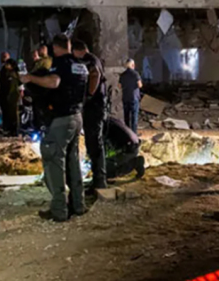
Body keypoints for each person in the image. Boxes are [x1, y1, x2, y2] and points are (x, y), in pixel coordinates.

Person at [22, 34, 88, 222]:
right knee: (73, 162)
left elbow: (54, 82)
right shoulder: (80, 65)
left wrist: (30, 78)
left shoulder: (60, 63)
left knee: (53, 161)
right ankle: (78, 205)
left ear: (55, 47)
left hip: (61, 119)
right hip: (77, 117)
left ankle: (59, 210)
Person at [72, 39, 108, 190]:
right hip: (94, 107)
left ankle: (100, 180)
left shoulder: (90, 60)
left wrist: (88, 95)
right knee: (92, 143)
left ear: (78, 50)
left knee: (95, 143)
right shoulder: (90, 59)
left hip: (95, 107)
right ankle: (97, 178)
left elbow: (95, 75)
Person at [104, 115, 145, 180]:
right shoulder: (107, 120)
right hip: (130, 144)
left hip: (130, 148)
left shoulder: (104, 127)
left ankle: (136, 163)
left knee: (106, 169)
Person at [0, 53, 22, 136]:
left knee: (13, 114)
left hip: (13, 96)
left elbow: (19, 84)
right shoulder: (3, 71)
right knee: (7, 113)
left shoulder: (14, 74)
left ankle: (14, 130)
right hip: (5, 95)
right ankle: (8, 129)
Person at [119, 59, 142, 133]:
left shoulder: (122, 74)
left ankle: (127, 133)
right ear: (133, 65)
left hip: (125, 97)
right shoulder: (135, 74)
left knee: (126, 117)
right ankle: (134, 134)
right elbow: (140, 85)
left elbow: (119, 86)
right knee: (134, 117)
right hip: (134, 97)